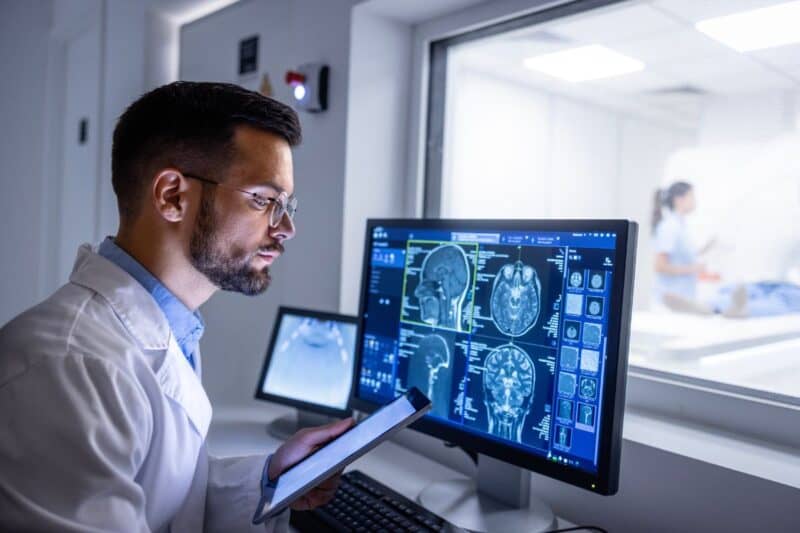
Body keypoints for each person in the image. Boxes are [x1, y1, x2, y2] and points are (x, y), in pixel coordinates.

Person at [0, 82, 353, 531]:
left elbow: (166, 500)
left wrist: (268, 479)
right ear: (172, 196)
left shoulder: (166, 330)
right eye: (264, 200)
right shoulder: (69, 368)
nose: (285, 229)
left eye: (286, 205)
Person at [651, 181, 714, 306]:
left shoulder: (680, 226)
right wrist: (695, 268)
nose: (694, 200)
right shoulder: (669, 227)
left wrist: (708, 247)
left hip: (684, 299)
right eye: (692, 196)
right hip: (670, 302)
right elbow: (660, 266)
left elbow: (682, 255)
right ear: (679, 199)